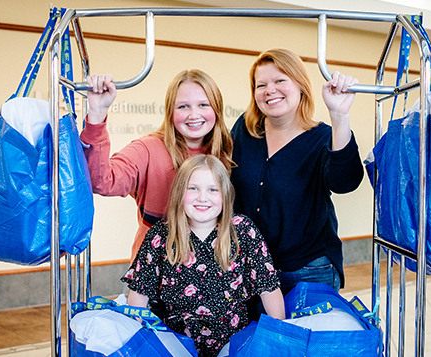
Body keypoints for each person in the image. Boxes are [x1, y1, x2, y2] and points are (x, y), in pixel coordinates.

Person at [230, 48, 364, 319]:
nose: (270, 90)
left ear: (300, 85)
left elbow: (345, 182)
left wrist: (340, 116)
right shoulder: (245, 131)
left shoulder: (322, 137)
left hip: (308, 268)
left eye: (280, 81)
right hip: (252, 269)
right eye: (261, 85)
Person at [121, 154, 285, 357]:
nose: (202, 197)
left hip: (234, 346)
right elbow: (139, 294)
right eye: (193, 188)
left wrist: (279, 338)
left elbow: (268, 288)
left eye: (212, 189)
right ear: (180, 192)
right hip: (177, 346)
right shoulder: (161, 235)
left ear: (225, 195)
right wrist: (140, 342)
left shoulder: (243, 231)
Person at [80, 69, 234, 262]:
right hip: (155, 273)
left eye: (203, 104)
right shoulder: (148, 149)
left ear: (216, 108)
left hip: (212, 273)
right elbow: (101, 181)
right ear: (170, 111)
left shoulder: (227, 152)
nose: (194, 114)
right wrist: (97, 114)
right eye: (183, 107)